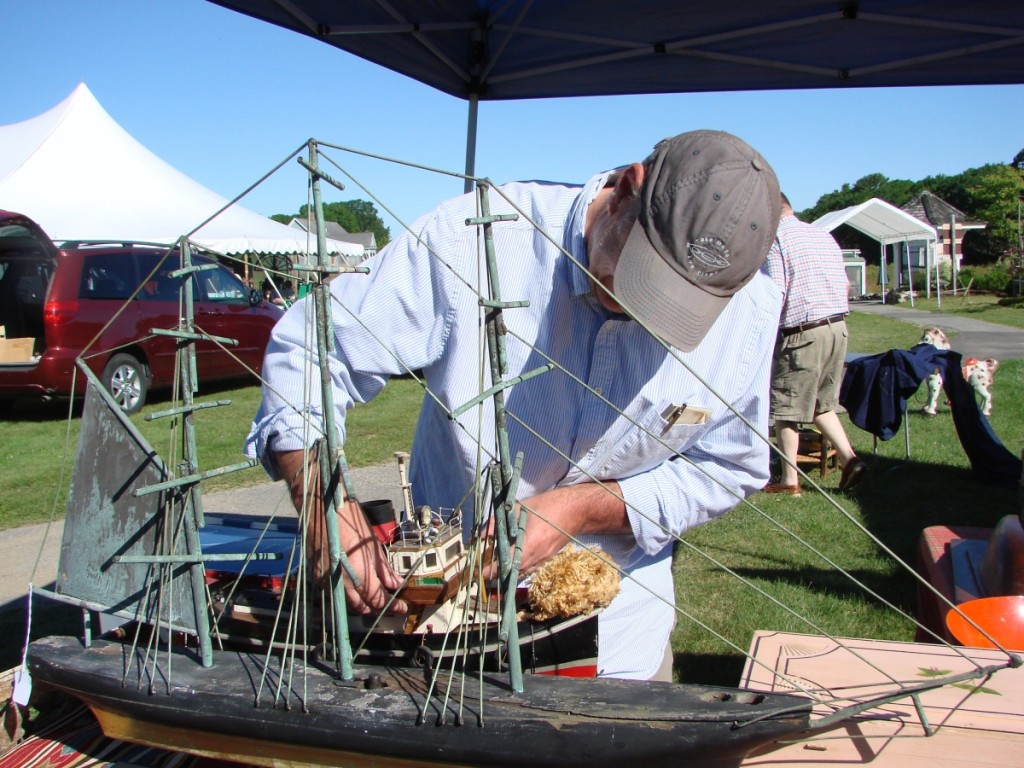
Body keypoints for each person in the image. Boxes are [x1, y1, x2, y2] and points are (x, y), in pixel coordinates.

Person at [245, 130, 783, 681]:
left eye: (679, 307)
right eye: (641, 279)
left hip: (626, 641)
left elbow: (730, 466)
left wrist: (584, 506)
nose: (645, 313)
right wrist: (324, 508)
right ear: (626, 189)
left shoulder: (752, 311)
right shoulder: (475, 238)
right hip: (448, 635)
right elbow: (313, 350)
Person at [761, 193, 868, 496]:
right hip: (837, 327)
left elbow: (776, 292)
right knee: (821, 403)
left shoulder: (776, 239)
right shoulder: (821, 235)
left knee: (786, 407)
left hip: (803, 331)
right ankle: (850, 459)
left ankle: (789, 481)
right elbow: (845, 284)